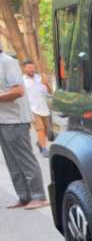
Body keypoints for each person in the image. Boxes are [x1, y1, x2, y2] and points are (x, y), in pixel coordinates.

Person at [0, 46, 48, 210]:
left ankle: (39, 196)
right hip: (2, 120)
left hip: (15, 119)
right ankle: (24, 196)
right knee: (12, 161)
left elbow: (18, 91)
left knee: (24, 159)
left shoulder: (7, 62)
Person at [22, 59, 53, 157]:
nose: (32, 69)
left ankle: (40, 143)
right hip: (32, 109)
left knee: (48, 132)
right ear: (24, 68)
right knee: (40, 129)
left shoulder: (40, 78)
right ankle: (44, 149)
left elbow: (50, 92)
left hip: (44, 108)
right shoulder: (22, 81)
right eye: (29, 68)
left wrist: (46, 83)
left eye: (33, 67)